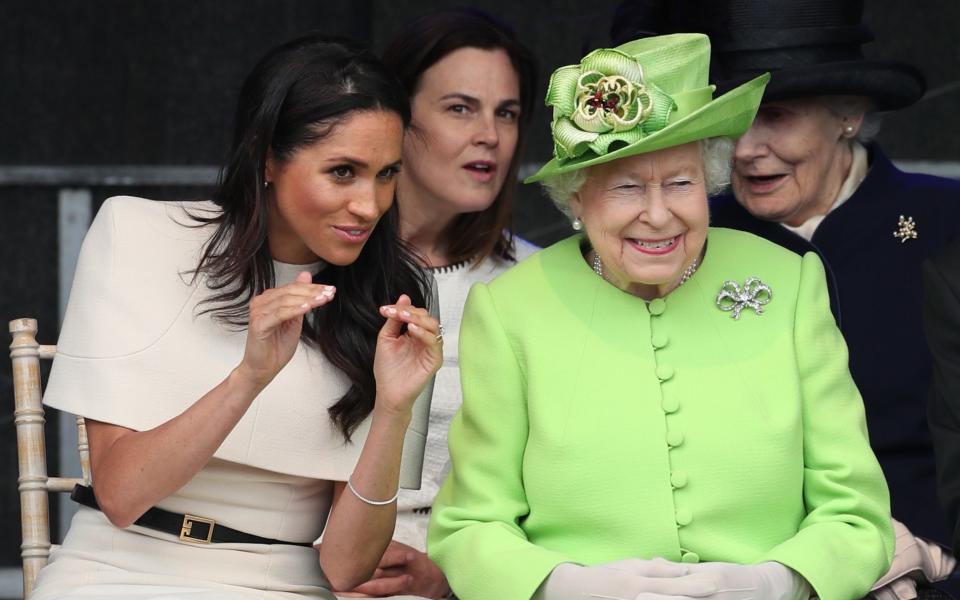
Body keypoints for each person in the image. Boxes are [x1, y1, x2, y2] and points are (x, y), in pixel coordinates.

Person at [428, 33, 894, 600]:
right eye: (626, 187)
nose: (658, 214)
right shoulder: (510, 310)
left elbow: (856, 512)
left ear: (710, 183)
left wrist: (774, 583)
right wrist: (565, 587)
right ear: (575, 199)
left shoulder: (789, 281)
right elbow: (469, 525)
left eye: (681, 183)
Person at [29, 34, 442, 600]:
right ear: (269, 158)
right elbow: (121, 497)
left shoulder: (395, 295)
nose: (369, 205)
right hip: (113, 570)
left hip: (282, 585)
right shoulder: (139, 236)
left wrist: (395, 409)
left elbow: (347, 569)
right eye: (343, 172)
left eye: (388, 174)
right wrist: (248, 377)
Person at [700, 0, 960, 576]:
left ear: (848, 112)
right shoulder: (691, 233)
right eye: (734, 118)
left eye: (777, 116)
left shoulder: (946, 222)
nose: (744, 150)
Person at [336, 11, 538, 599]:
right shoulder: (327, 261)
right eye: (460, 108)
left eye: (507, 113)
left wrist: (452, 576)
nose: (490, 135)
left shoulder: (538, 280)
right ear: (397, 119)